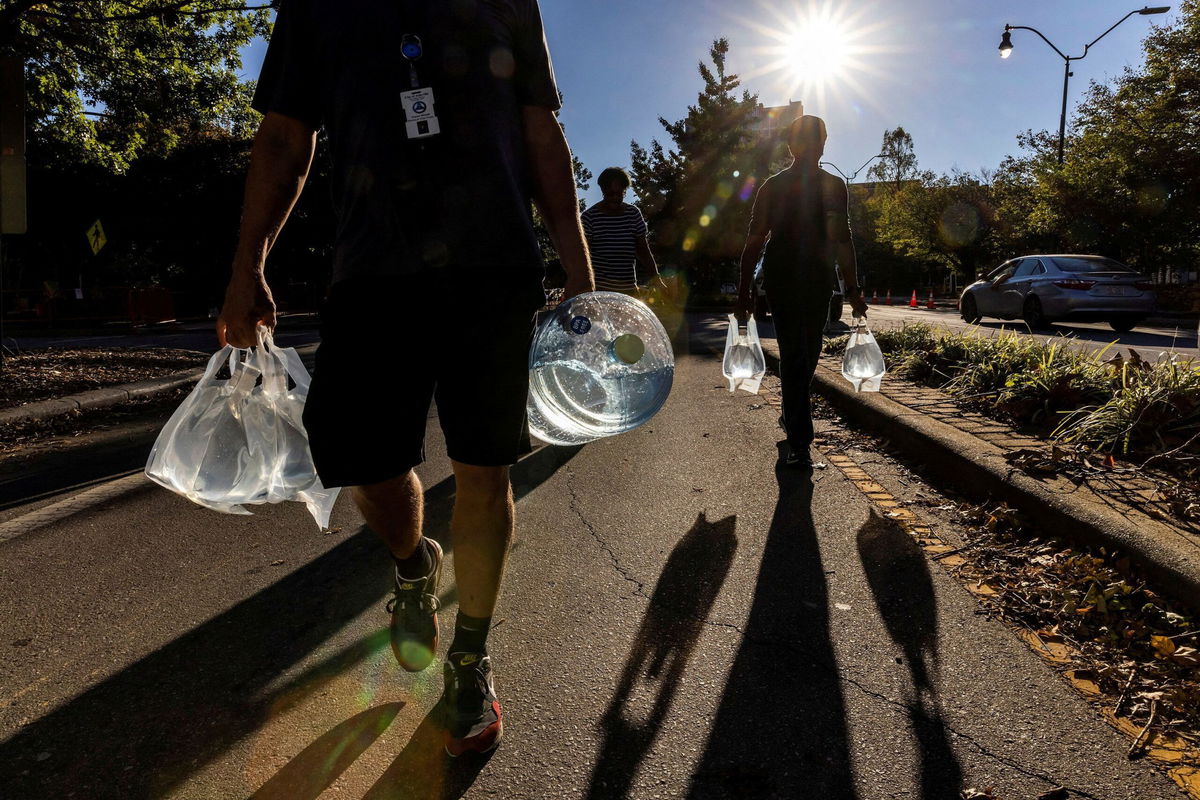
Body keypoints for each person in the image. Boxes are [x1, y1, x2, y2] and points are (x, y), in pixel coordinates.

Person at [217, 0, 592, 757]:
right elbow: (287, 137)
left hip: (493, 268)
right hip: (372, 270)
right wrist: (246, 265)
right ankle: (414, 565)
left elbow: (541, 133)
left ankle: (470, 659)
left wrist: (584, 279)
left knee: (484, 469)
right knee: (365, 460)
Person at [734, 115, 868, 468]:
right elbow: (754, 240)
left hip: (819, 282)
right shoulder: (773, 187)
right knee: (795, 357)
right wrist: (743, 292)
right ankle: (799, 440)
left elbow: (842, 239)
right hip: (782, 281)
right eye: (806, 141)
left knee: (808, 357)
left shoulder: (834, 186)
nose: (814, 147)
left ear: (825, 144)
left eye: (819, 140)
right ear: (792, 146)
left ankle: (792, 415)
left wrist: (853, 288)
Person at [581, 167, 663, 294]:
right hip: (599, 292)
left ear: (624, 191)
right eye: (610, 194)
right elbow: (582, 257)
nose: (615, 198)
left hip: (628, 291)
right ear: (602, 190)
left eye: (619, 194)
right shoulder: (589, 217)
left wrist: (656, 279)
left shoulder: (633, 214)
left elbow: (644, 251)